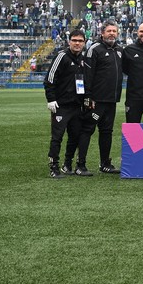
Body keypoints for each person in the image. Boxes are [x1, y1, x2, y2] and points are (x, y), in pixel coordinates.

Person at [78, 21, 124, 174]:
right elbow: (87, 75)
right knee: (87, 129)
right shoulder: (94, 49)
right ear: (102, 33)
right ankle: (80, 164)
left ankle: (105, 163)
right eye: (109, 31)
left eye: (114, 31)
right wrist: (88, 96)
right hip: (96, 100)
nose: (112, 33)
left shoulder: (119, 50)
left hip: (112, 100)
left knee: (107, 131)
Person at [44, 29, 88, 178]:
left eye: (80, 41)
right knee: (57, 137)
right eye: (74, 40)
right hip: (61, 106)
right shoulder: (61, 56)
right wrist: (51, 99)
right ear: (69, 41)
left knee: (75, 136)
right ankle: (53, 166)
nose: (77, 43)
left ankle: (67, 164)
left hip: (77, 106)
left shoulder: (83, 59)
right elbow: (50, 79)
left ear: (84, 43)